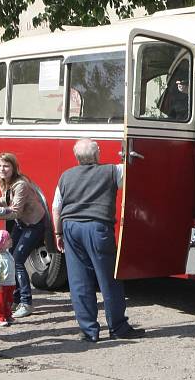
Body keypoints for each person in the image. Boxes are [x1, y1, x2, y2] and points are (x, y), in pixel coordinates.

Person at [52, 138, 145, 342]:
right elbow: (134, 170)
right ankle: (118, 327)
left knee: (79, 281)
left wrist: (58, 233)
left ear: (76, 157)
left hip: (70, 227)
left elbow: (56, 207)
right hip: (97, 227)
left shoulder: (65, 176)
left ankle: (88, 330)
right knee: (108, 279)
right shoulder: (112, 171)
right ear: (97, 154)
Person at [0, 153, 47, 319]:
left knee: (17, 260)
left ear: (14, 167)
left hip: (34, 224)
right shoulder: (4, 181)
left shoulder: (20, 184)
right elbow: (5, 199)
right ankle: (15, 298)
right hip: (21, 223)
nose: (2, 169)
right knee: (9, 256)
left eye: (6, 166)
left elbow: (15, 211)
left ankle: (26, 302)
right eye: (0, 166)